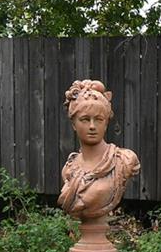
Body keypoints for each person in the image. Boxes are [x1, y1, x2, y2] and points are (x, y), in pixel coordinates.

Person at [57, 80, 140, 220]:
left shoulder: (124, 160)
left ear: (106, 123)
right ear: (74, 124)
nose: (92, 126)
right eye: (85, 119)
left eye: (99, 119)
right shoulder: (69, 168)